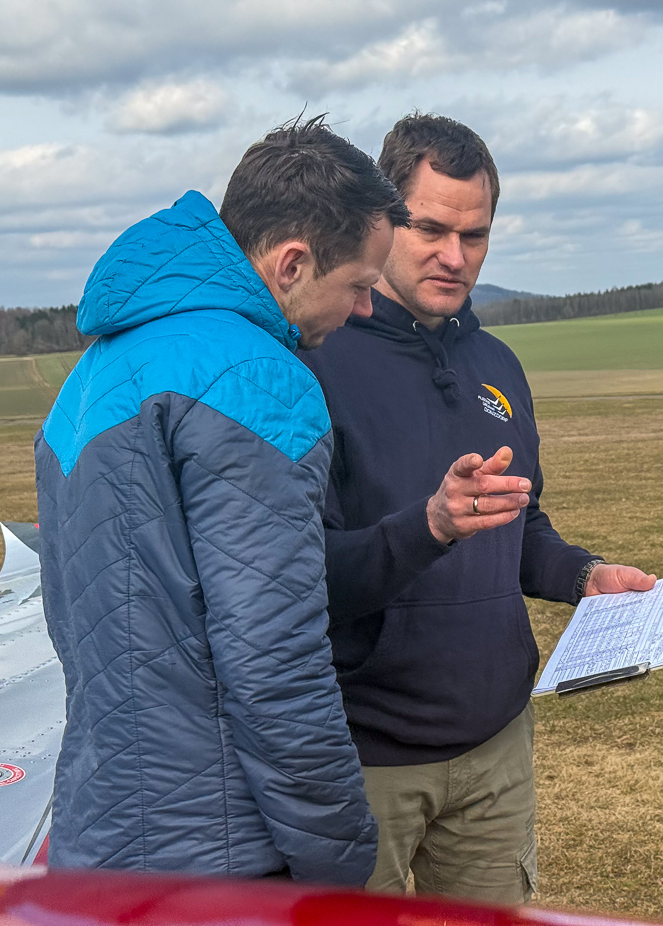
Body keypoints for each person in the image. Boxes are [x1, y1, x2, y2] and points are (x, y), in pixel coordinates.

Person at [34, 116, 409, 884]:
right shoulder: (256, 379)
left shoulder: (96, 374)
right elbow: (275, 662)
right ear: (292, 263)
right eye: (360, 285)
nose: (367, 309)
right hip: (220, 852)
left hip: (100, 830)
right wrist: (340, 857)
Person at [299, 113, 656, 903]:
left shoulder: (497, 365)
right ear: (383, 220)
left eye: (476, 235)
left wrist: (583, 576)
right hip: (361, 759)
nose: (455, 257)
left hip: (496, 748)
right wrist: (428, 525)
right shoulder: (315, 362)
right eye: (429, 229)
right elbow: (300, 574)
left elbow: (520, 526)